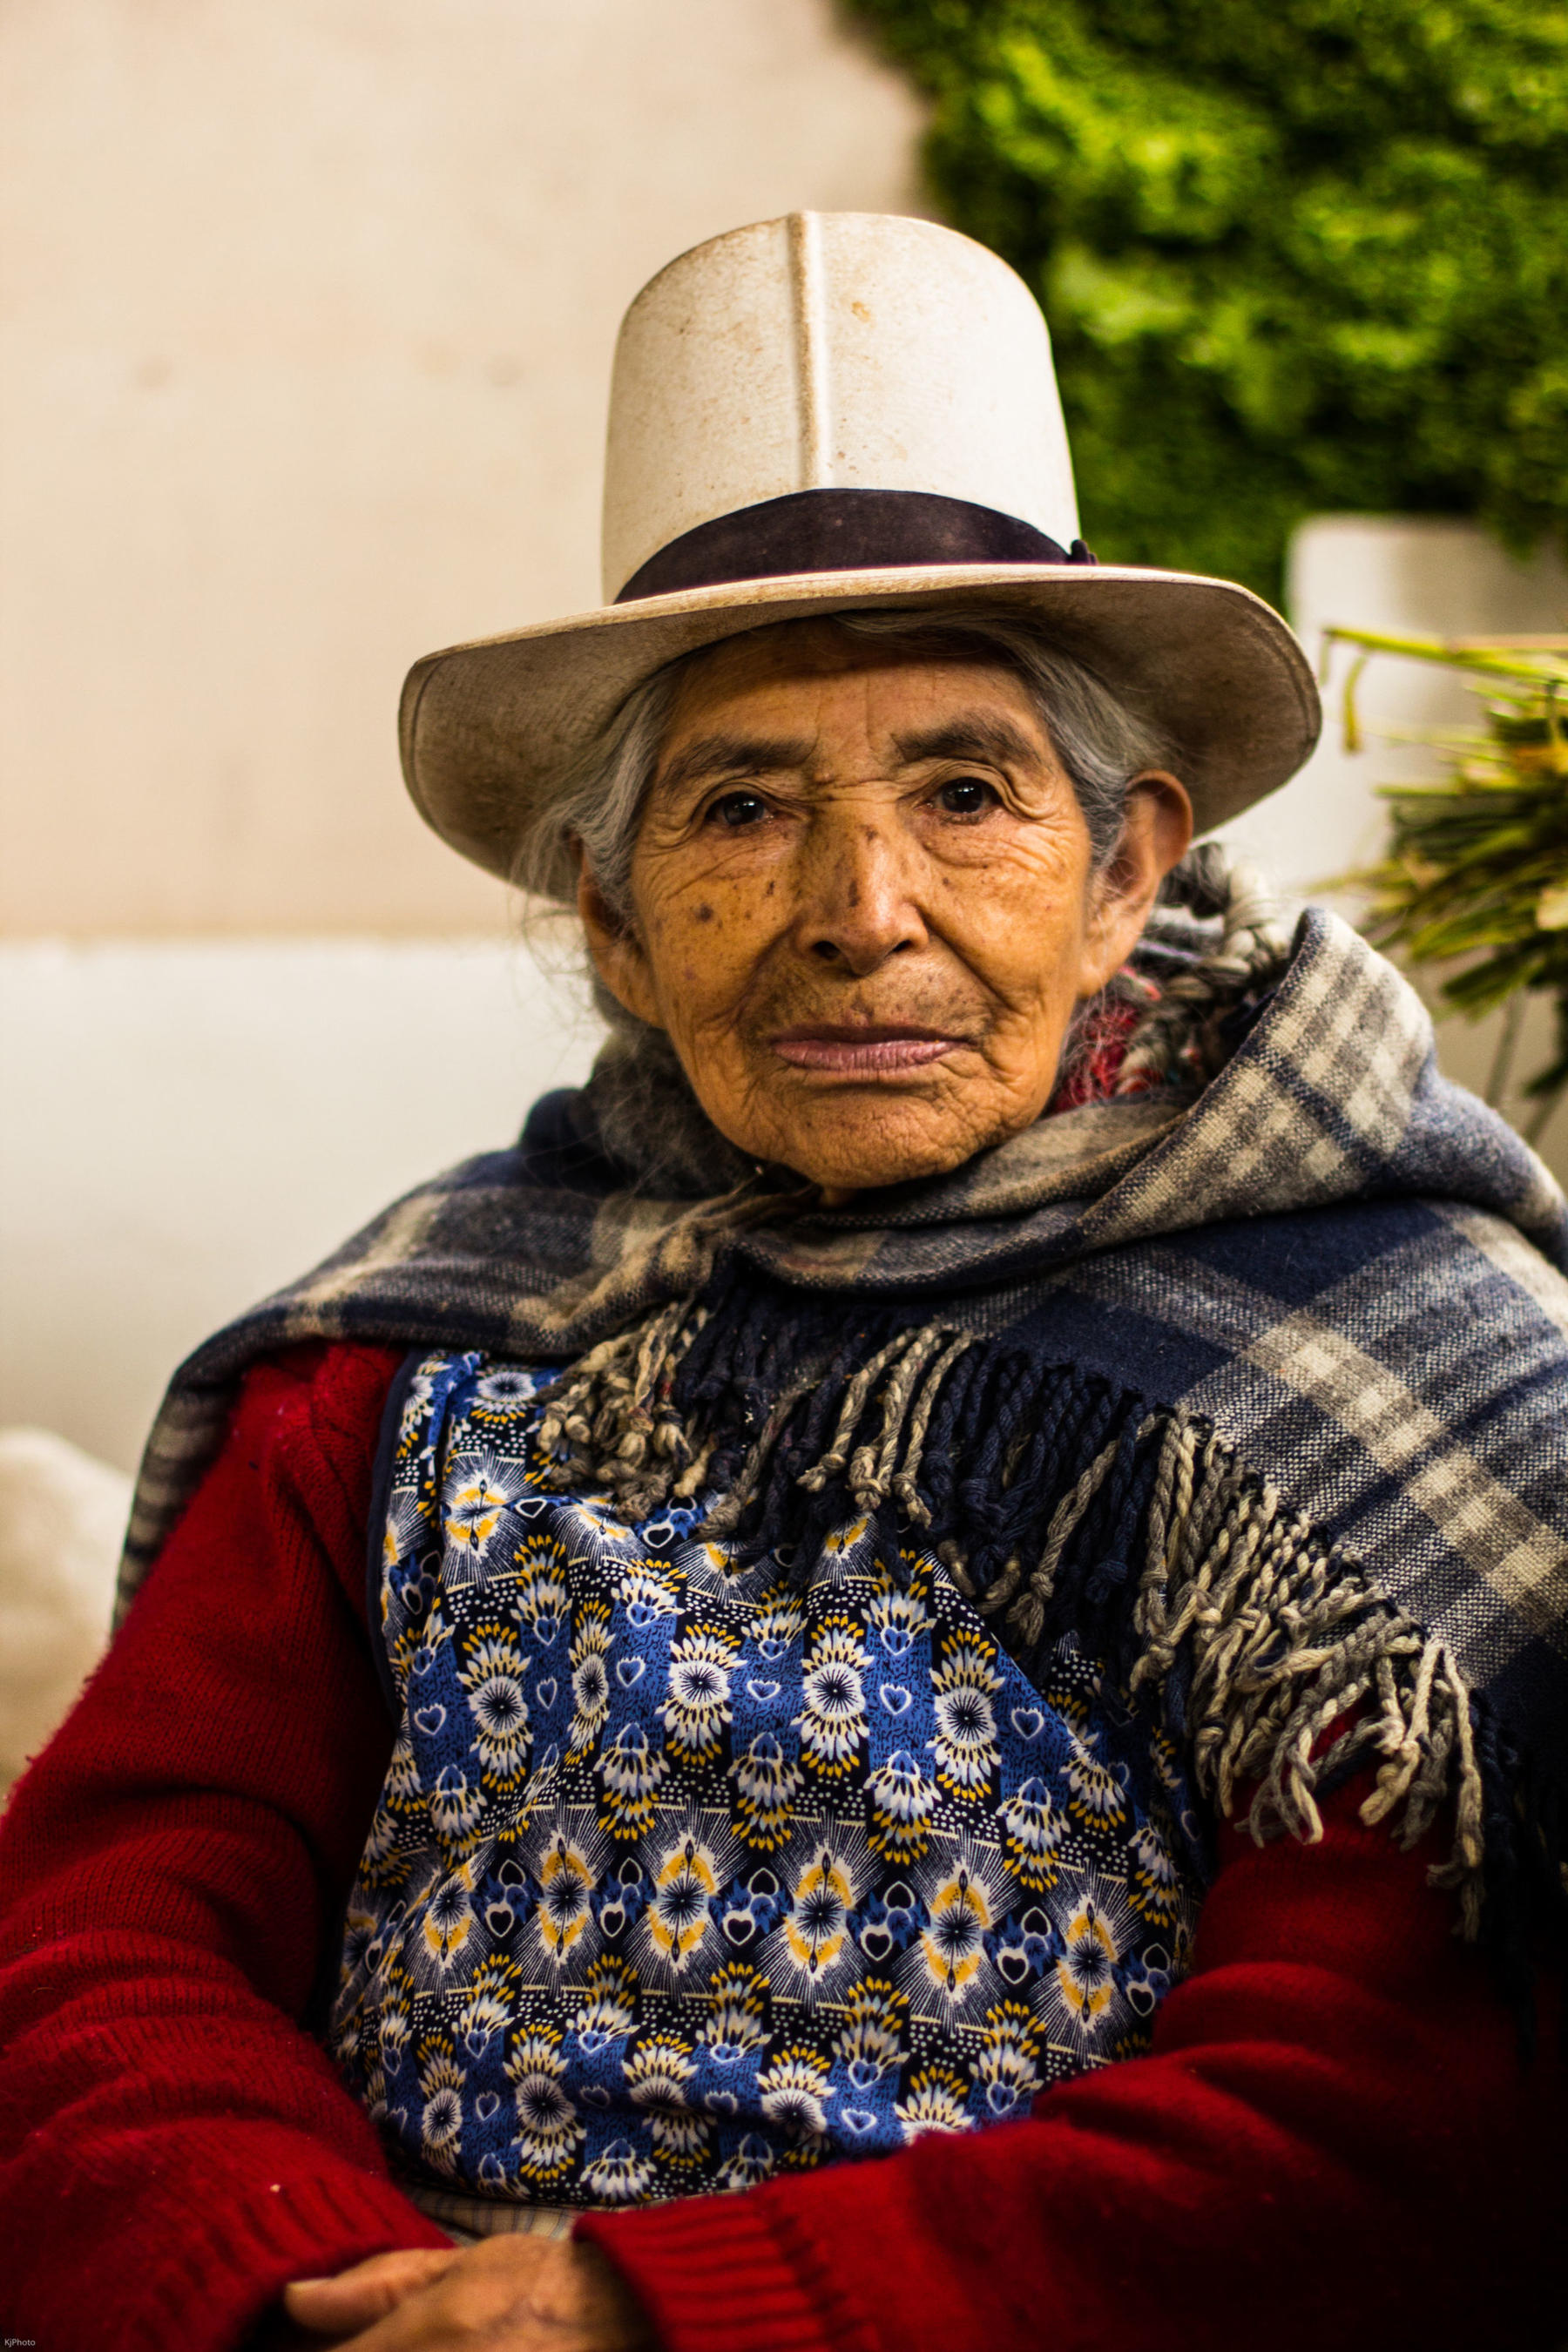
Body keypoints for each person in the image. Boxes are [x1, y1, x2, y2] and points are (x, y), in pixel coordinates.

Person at [1, 213, 1564, 2352]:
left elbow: (1393, 2122)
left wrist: (655, 2314)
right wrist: (290, 2286)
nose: (860, 908)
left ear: (1125, 869)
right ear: (615, 919)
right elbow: (105, 1936)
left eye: (965, 793)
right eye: (742, 808)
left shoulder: (1384, 1366)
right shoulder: (425, 1342)